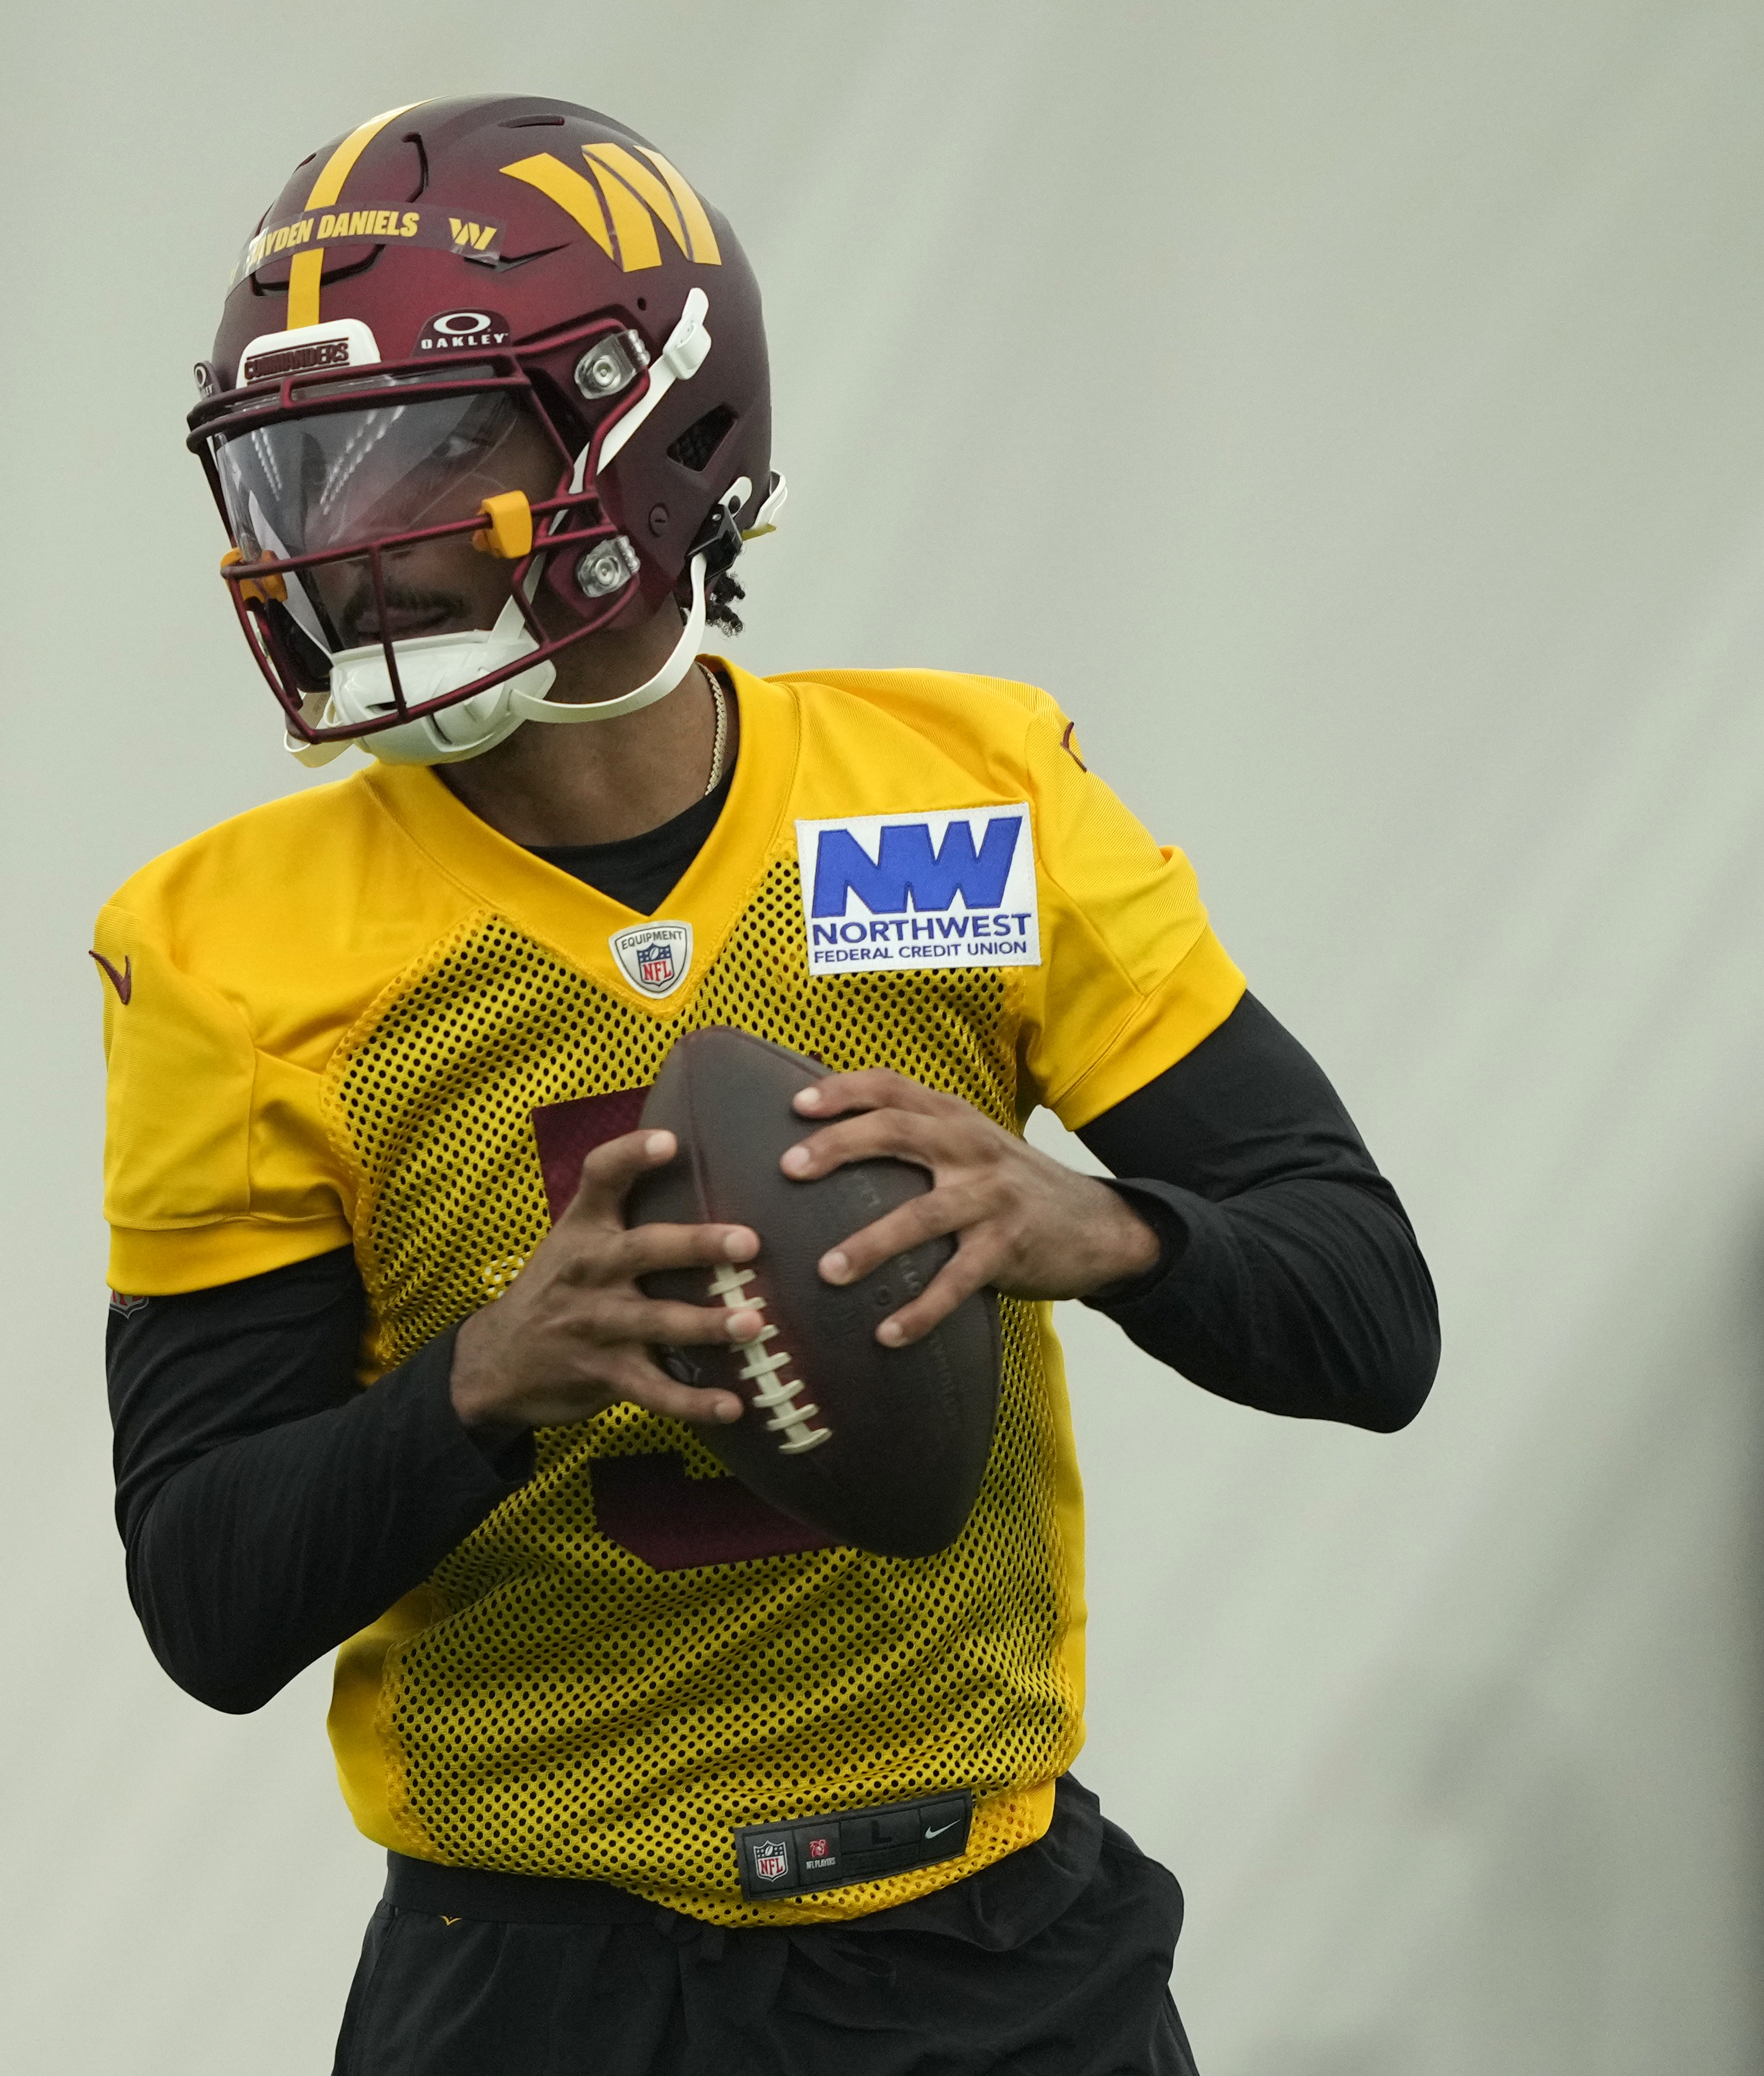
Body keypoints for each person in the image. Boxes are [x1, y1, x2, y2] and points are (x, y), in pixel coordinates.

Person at [93, 95, 1436, 2076]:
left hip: (990, 1950)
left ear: (662, 433)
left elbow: (1371, 1314)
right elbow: (207, 1591)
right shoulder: (231, 943)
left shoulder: (961, 803)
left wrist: (1107, 1228)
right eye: (302, 471)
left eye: (431, 445)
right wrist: (484, 1376)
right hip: (542, 1973)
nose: (347, 541)